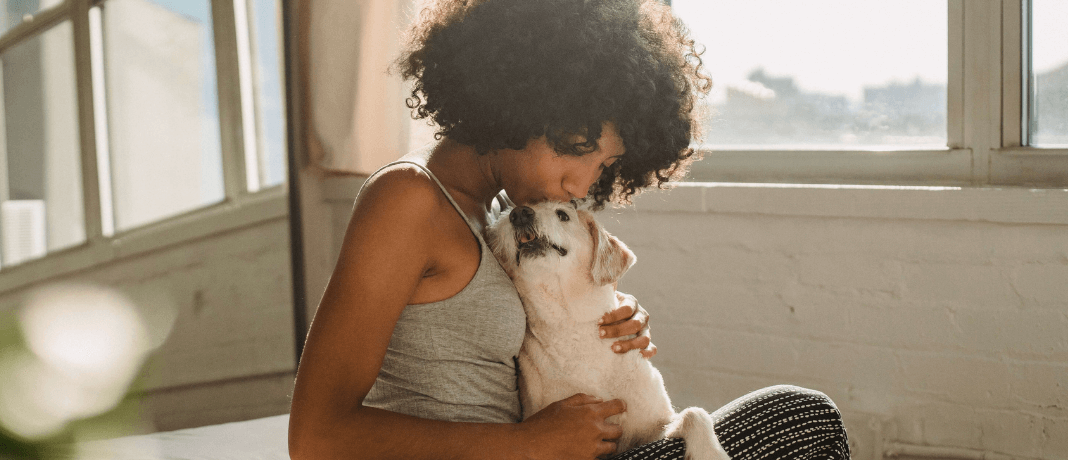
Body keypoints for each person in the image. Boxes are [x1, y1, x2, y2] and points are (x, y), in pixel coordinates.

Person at [288, 0, 852, 458]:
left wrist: (605, 318)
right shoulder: (407, 199)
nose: (583, 182)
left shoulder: (495, 219)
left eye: (603, 166)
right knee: (798, 420)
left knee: (797, 415)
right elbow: (315, 437)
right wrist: (524, 446)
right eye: (578, 149)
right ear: (517, 102)